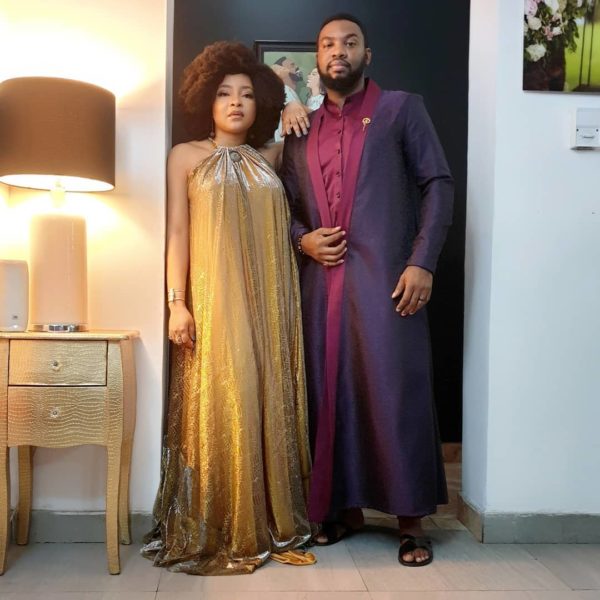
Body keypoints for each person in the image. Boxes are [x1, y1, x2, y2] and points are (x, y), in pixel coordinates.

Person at [279, 14, 454, 567]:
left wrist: (422, 262)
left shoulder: (401, 109)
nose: (339, 51)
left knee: (393, 392)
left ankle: (410, 521)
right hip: (321, 287)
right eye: (328, 44)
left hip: (388, 283)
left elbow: (438, 183)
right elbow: (282, 205)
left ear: (367, 55)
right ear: (317, 59)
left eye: (350, 43)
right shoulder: (301, 129)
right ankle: (342, 511)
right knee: (331, 395)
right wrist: (303, 240)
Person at [142, 41, 315, 575]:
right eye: (224, 93)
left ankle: (265, 519)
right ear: (207, 100)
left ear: (259, 101)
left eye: (246, 93)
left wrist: (290, 97)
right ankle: (221, 522)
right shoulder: (185, 156)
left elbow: (307, 133)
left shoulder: (273, 155)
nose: (236, 102)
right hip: (214, 302)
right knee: (224, 400)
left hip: (271, 303)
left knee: (266, 398)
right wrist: (177, 304)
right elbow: (177, 233)